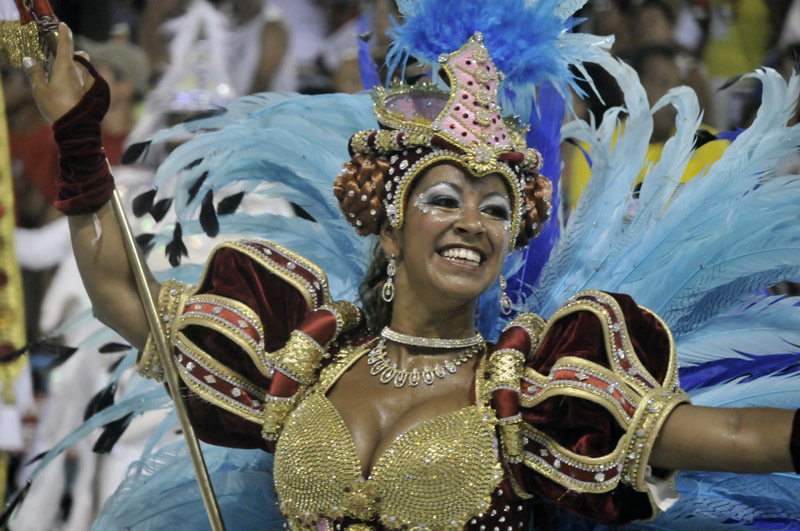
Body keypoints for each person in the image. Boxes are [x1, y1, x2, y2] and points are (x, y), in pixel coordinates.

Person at [17, 4, 800, 529]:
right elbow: (125, 296)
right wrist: (77, 134)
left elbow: (731, 430)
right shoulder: (303, 360)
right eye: (447, 198)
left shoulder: (534, 392)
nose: (472, 223)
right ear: (390, 231)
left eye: (497, 210)